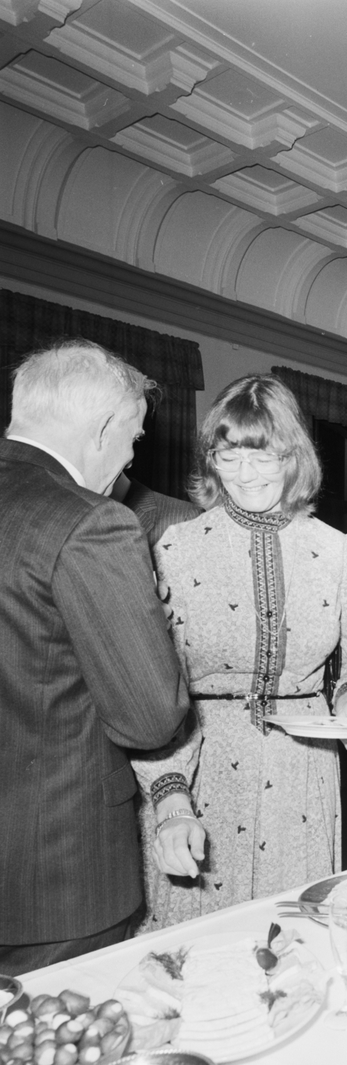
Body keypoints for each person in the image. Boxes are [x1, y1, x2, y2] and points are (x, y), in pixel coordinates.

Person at [131, 374, 347, 930]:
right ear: (211, 460)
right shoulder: (176, 549)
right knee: (195, 945)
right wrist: (169, 790)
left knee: (292, 938)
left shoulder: (337, 552)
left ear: (294, 458)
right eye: (229, 456)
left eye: (263, 457)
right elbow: (153, 685)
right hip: (202, 766)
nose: (245, 475)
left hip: (302, 768)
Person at [0, 340, 189, 973]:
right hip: (54, 874)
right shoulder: (92, 523)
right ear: (105, 428)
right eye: (134, 439)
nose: (130, 459)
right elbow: (150, 718)